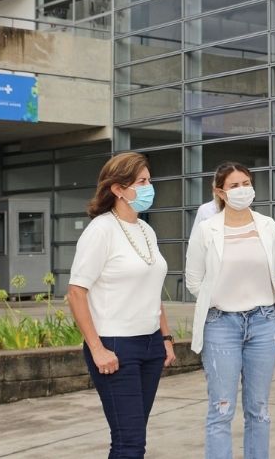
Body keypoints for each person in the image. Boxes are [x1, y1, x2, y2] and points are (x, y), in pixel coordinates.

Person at [67, 151, 176, 459]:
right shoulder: (100, 230)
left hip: (151, 345)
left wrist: (165, 338)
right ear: (117, 189)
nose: (148, 187)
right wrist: (98, 348)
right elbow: (76, 292)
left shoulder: (146, 230)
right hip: (116, 347)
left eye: (149, 180)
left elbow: (153, 289)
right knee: (129, 443)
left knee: (134, 434)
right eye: (141, 182)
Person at [185, 162, 275, 459]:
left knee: (259, 410)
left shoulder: (267, 226)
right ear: (219, 191)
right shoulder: (207, 230)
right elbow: (194, 280)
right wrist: (221, 298)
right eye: (234, 185)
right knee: (221, 409)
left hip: (263, 322)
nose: (242, 190)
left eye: (246, 183)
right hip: (220, 324)